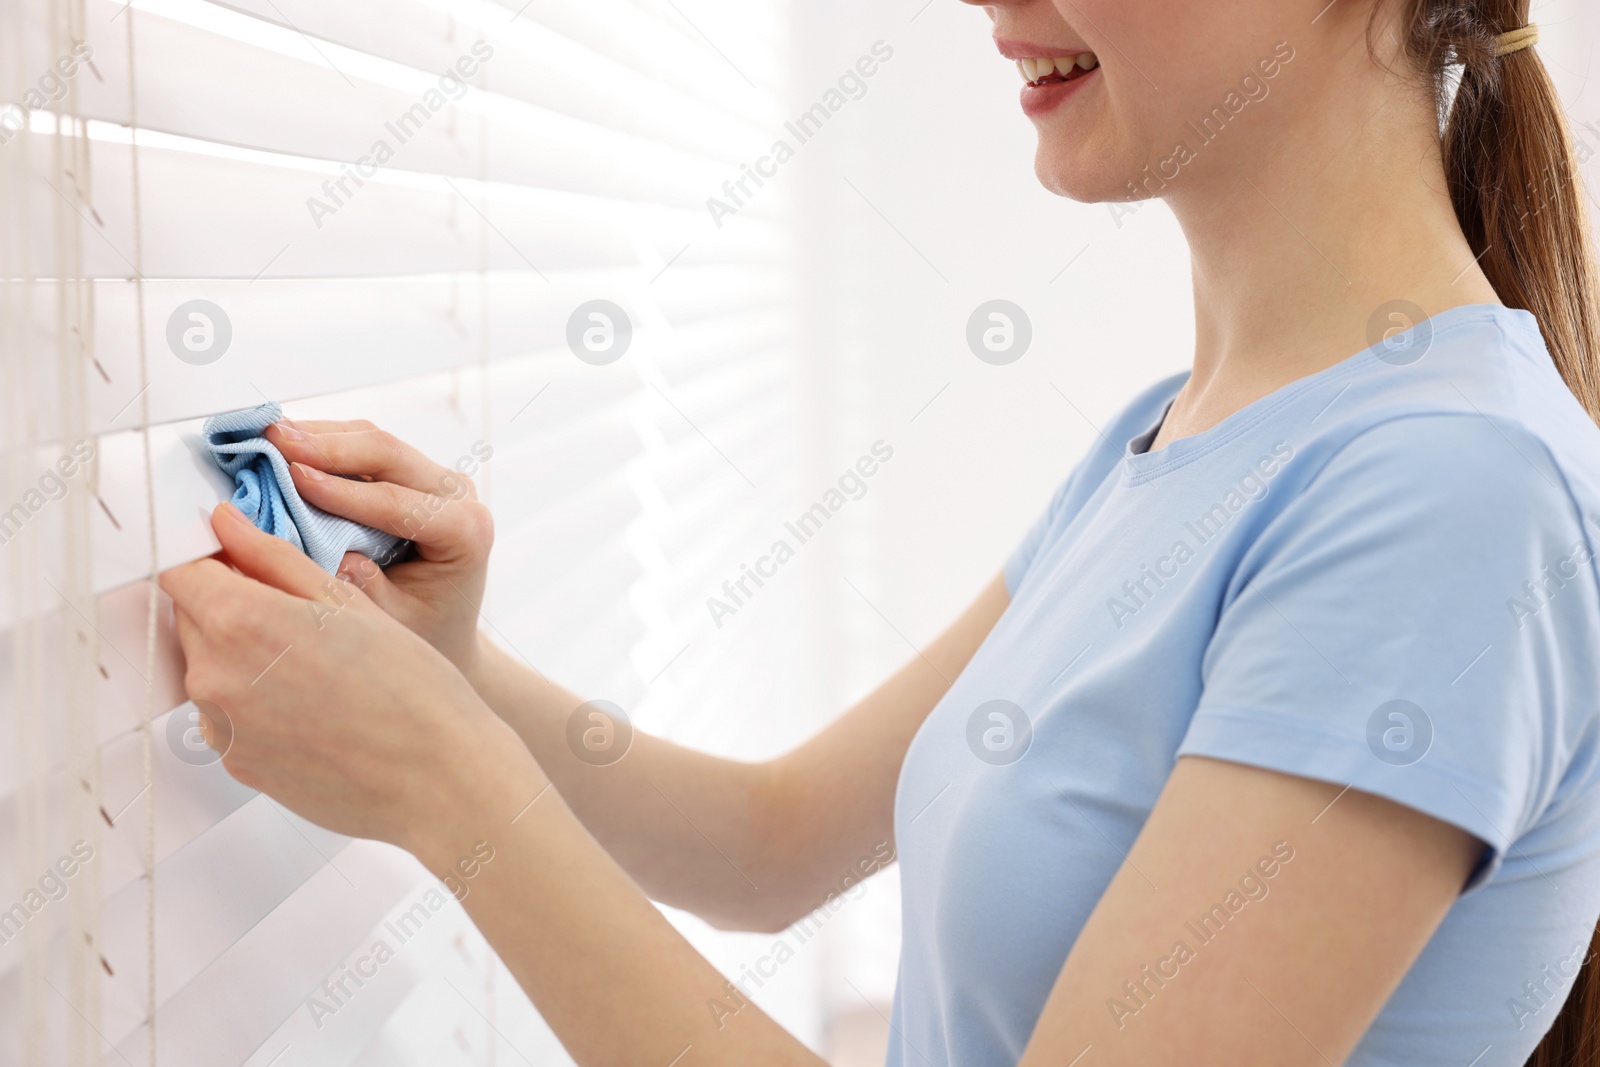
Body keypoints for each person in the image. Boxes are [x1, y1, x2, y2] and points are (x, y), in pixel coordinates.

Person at [161, 0, 1600, 1063]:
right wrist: (458, 674)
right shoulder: (1179, 434)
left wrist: (446, 792)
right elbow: (768, 843)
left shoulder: (1445, 497)